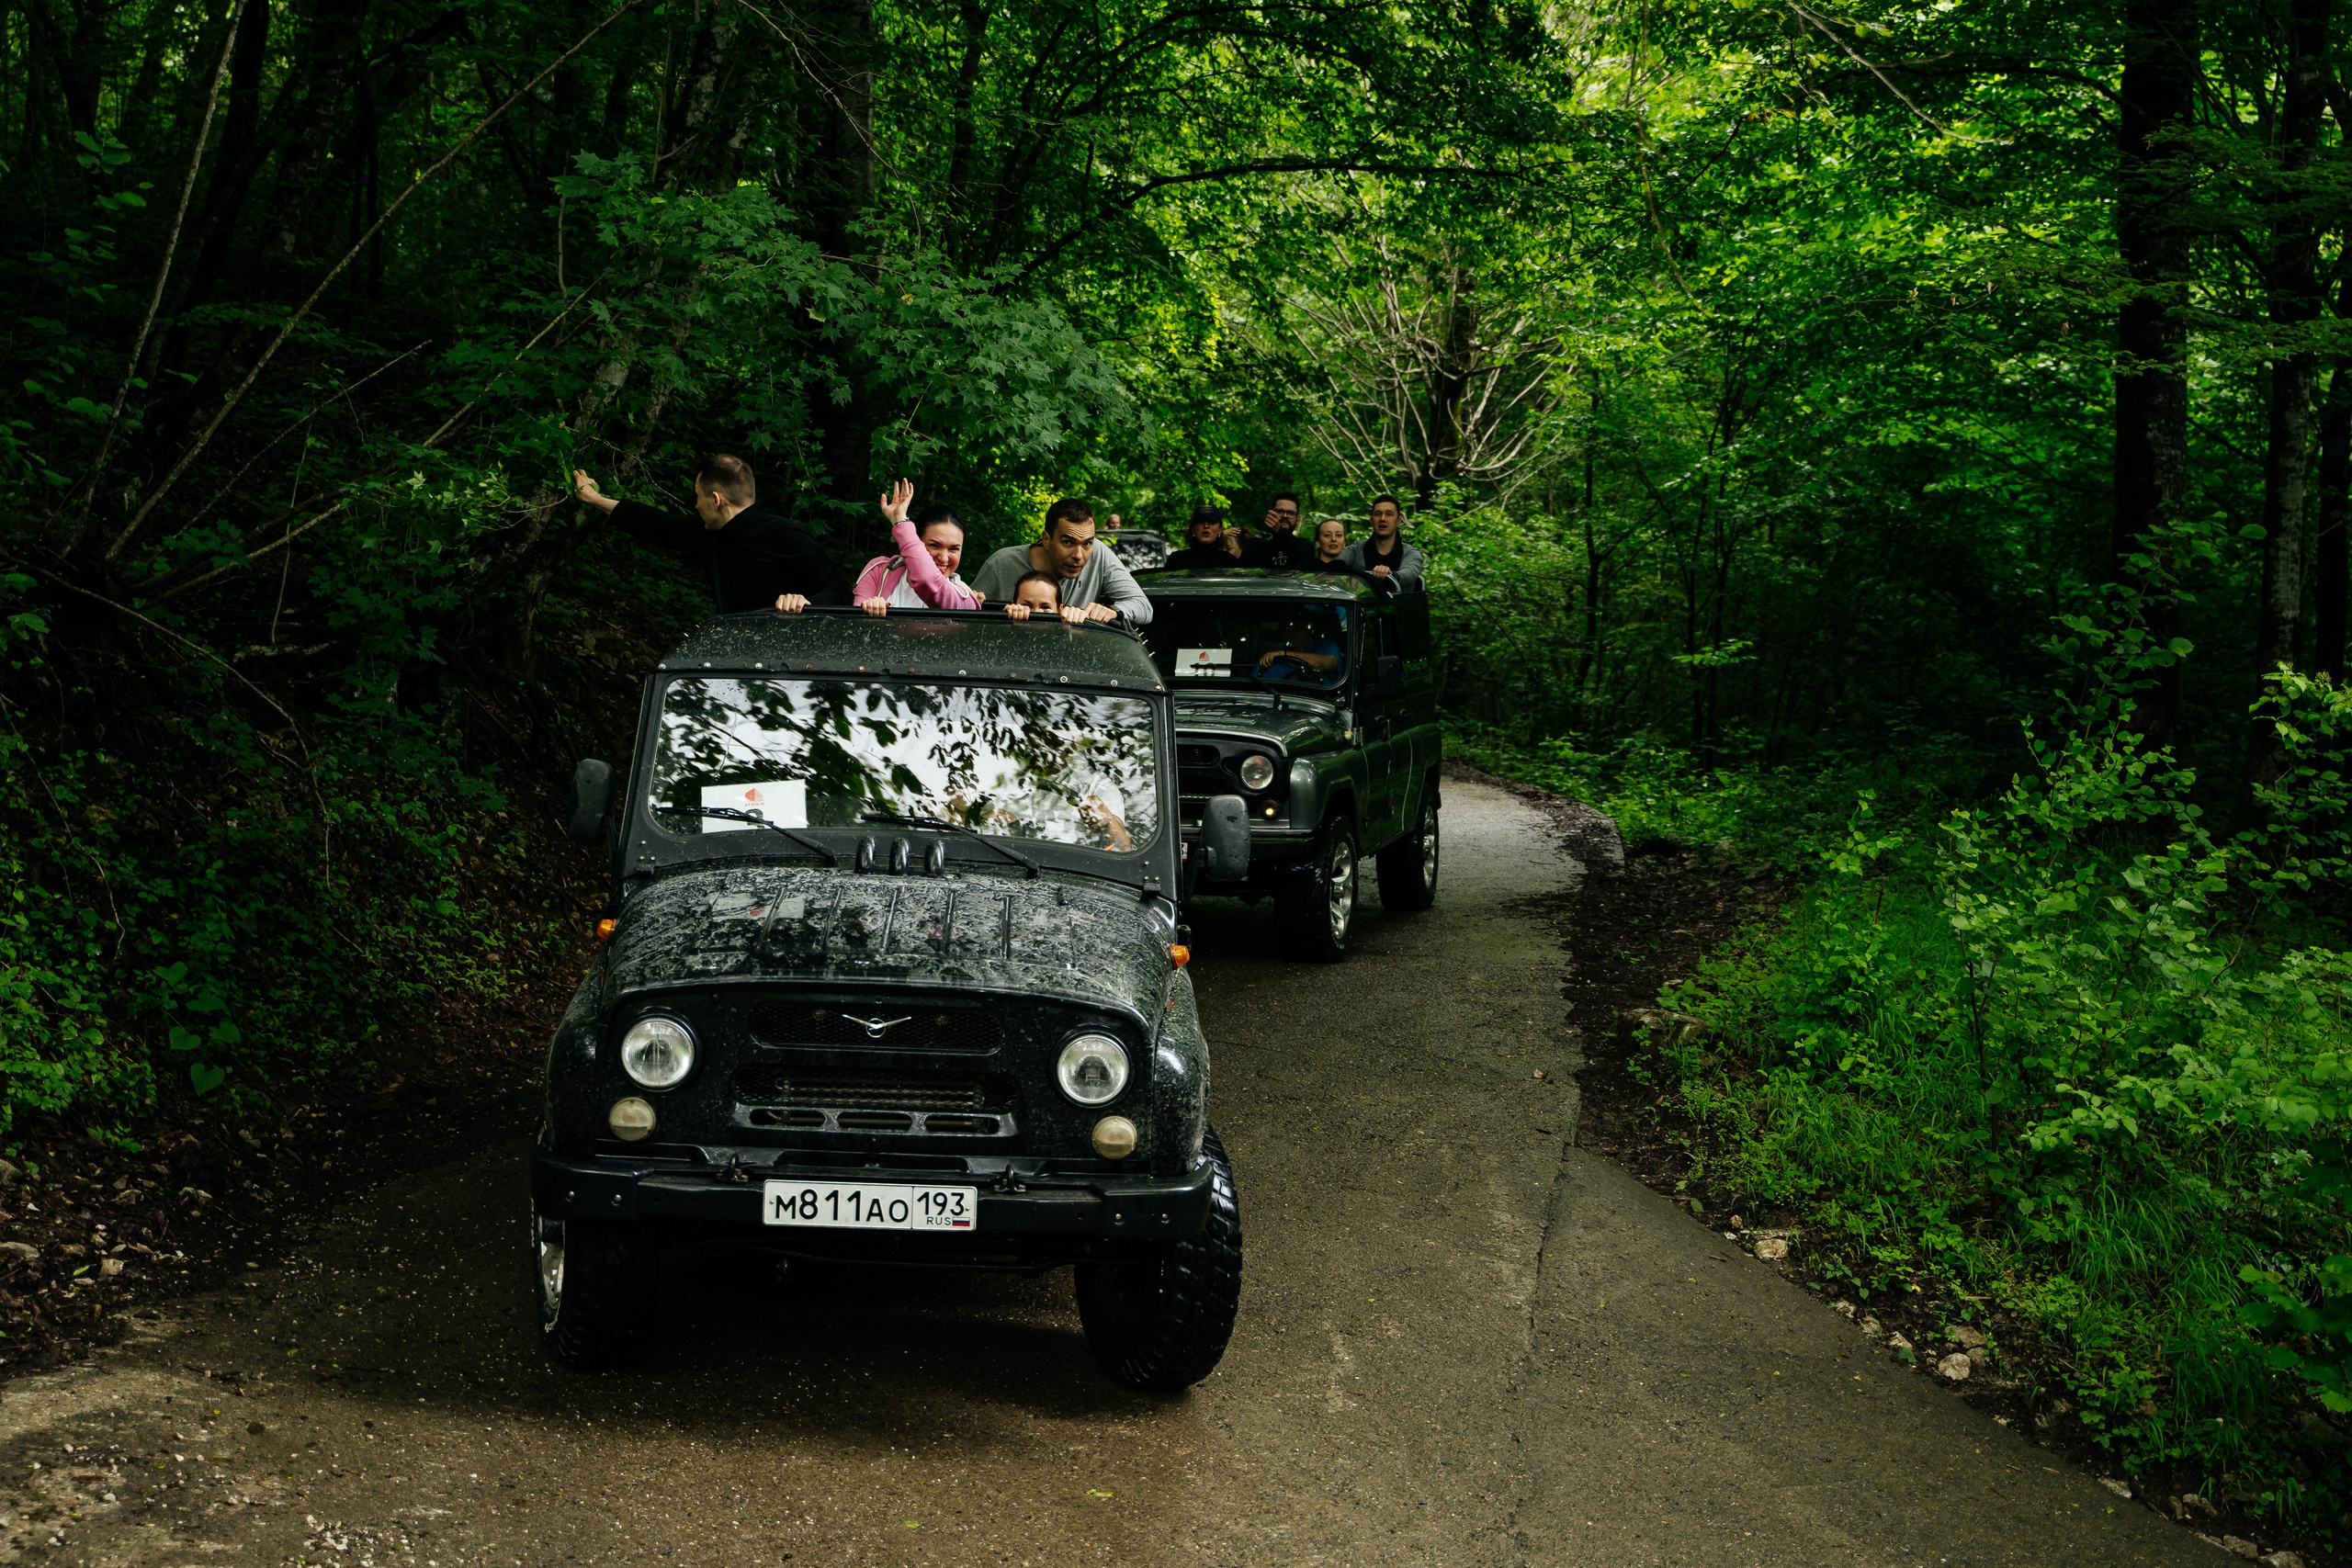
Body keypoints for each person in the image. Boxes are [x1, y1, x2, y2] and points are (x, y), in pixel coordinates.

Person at [571, 456, 845, 612]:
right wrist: (596, 499)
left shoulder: (785, 535)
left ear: (716, 500)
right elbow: (656, 524)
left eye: (698, 497)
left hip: (791, 663)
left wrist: (806, 602)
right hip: (734, 658)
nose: (695, 505)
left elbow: (841, 588)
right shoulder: (708, 534)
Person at [968, 498, 1154, 624]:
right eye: (1068, 542)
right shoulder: (1001, 565)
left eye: (1087, 543)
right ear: (1047, 540)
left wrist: (1114, 611)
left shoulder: (1099, 555)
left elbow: (1143, 607)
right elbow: (966, 619)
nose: (1079, 555)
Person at [835, 479, 981, 615]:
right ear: (917, 541)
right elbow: (855, 628)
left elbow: (927, 580)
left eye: (954, 549)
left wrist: (900, 521)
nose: (944, 558)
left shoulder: (965, 598)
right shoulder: (879, 570)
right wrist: (871, 610)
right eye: (934, 545)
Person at [1343, 494, 1424, 590]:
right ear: (1371, 520)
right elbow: (1336, 563)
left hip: (1398, 604)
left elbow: (1408, 575)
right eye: (1378, 514)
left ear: (1398, 521)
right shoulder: (1356, 549)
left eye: (1389, 514)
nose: (1382, 519)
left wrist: (1390, 575)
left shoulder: (1411, 553)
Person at [1247, 492, 1318, 569]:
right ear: (1270, 515)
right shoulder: (1254, 545)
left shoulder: (1306, 546)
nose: (1285, 516)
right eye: (1280, 511)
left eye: (1291, 513)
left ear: (1298, 520)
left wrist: (1279, 531)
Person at [1164, 504, 1244, 570]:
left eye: (1212, 522)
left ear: (1220, 530)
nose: (1206, 526)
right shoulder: (1176, 559)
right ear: (1192, 529)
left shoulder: (1230, 562)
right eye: (1200, 522)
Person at [1005, 570, 1080, 622]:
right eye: (1027, 606)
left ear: (1060, 610)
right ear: (1013, 605)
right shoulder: (1002, 632)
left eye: (1045, 607)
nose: (1037, 612)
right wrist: (1006, 619)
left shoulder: (1067, 636)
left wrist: (1076, 622)